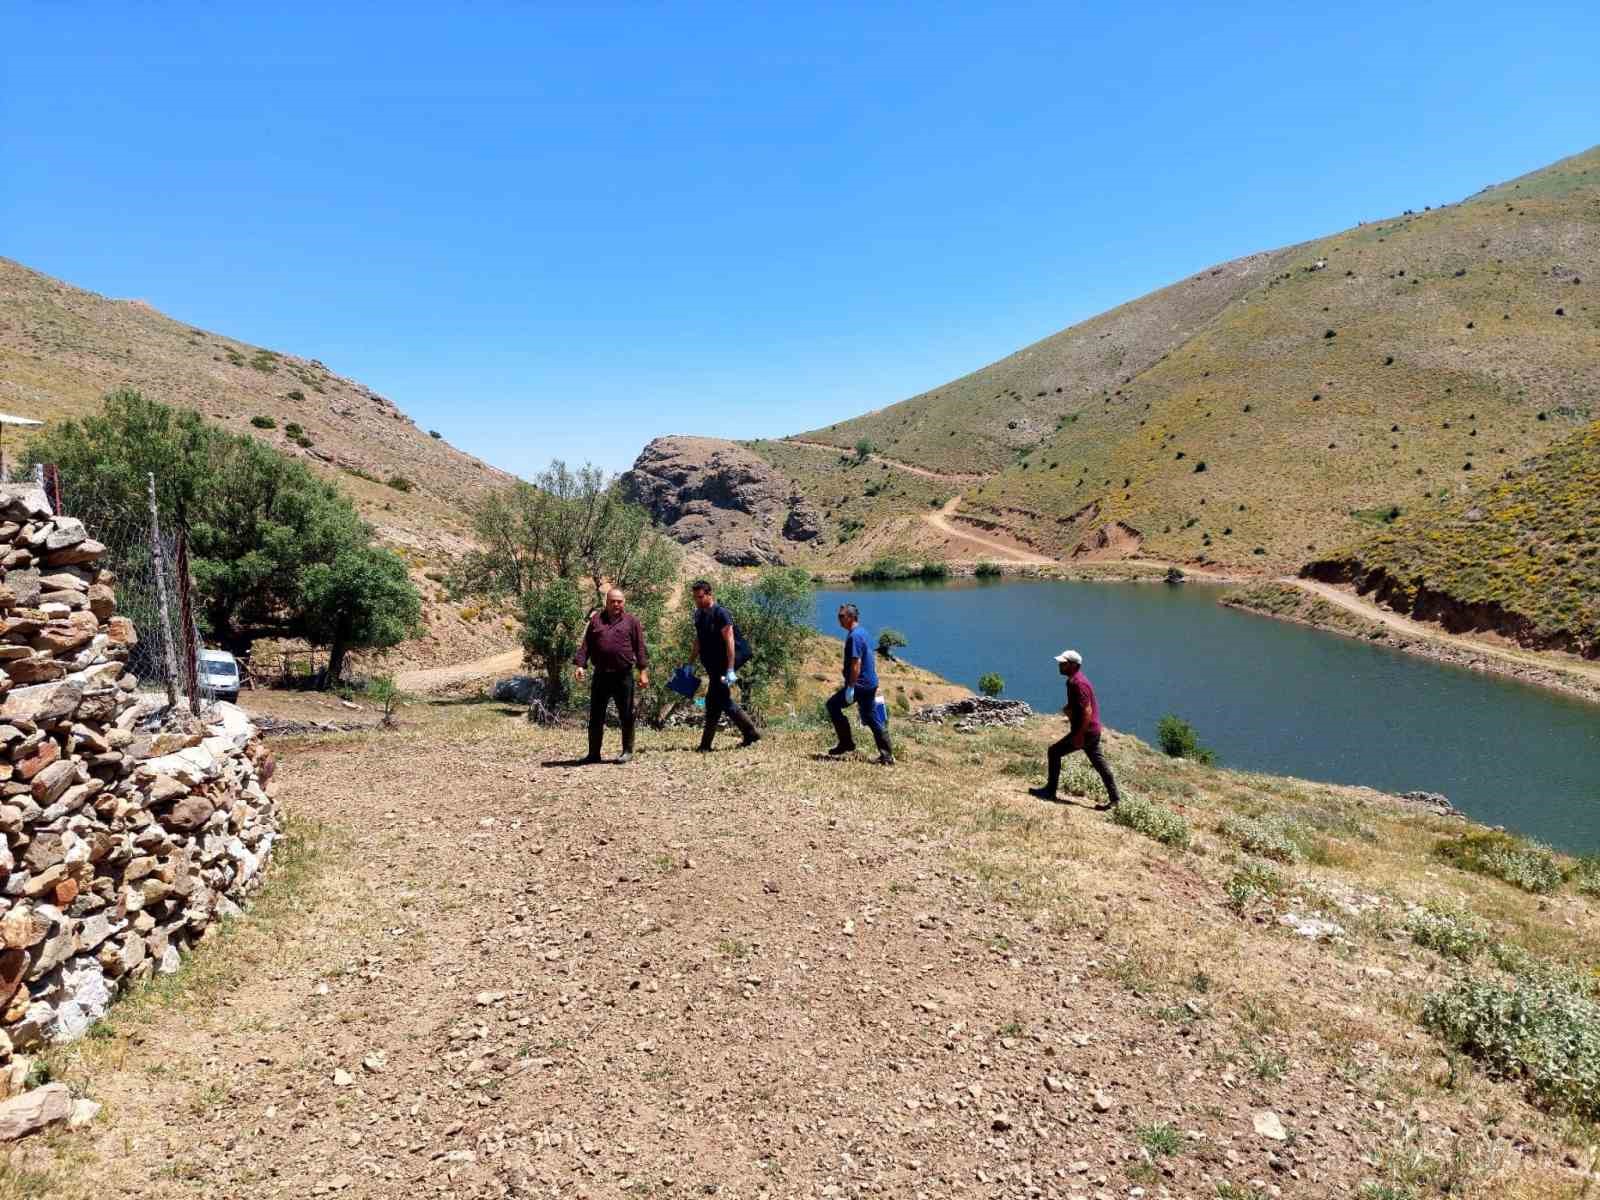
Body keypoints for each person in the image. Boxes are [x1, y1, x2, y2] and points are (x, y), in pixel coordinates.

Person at [1030, 649, 1121, 808]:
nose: (1059, 665)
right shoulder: (1077, 680)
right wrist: (1069, 710)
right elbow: (1080, 707)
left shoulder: (1077, 683)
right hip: (1092, 731)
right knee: (1099, 764)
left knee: (1054, 752)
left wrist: (1078, 735)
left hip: (1085, 732)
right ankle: (1115, 799)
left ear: (1073, 665)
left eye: (1063, 663)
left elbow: (1087, 711)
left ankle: (1050, 791)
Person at [574, 588, 649, 764]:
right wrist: (580, 665)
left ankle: (627, 751)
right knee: (596, 715)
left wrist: (643, 672)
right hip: (601, 676)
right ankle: (593, 754)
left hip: (623, 676)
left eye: (619, 601)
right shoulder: (596, 620)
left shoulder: (632, 621)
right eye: (612, 601)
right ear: (606, 602)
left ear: (624, 602)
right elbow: (587, 646)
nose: (616, 604)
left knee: (627, 714)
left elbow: (640, 648)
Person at [690, 580, 760, 752]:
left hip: (722, 665)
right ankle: (750, 733)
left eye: (700, 597)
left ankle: (706, 745)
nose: (697, 601)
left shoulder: (721, 613)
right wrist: (690, 662)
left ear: (709, 594)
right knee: (720, 701)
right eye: (695, 598)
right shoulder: (699, 615)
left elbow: (730, 641)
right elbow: (698, 640)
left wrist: (730, 669)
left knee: (715, 701)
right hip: (711, 665)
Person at [826, 603, 894, 765]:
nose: (839, 619)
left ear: (851, 617)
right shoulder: (861, 632)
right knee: (871, 718)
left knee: (832, 705)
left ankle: (846, 743)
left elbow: (856, 663)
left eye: (841, 616)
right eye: (839, 616)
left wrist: (850, 687)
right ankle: (887, 756)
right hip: (869, 683)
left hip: (860, 685)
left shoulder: (854, 636)